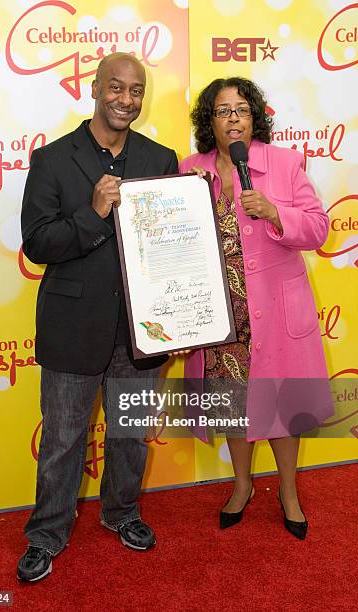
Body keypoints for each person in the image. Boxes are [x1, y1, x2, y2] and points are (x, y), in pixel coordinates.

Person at [18, 53, 179, 582]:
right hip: (73, 328)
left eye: (136, 91)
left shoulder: (161, 158)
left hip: (142, 328)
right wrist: (92, 214)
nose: (126, 100)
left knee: (129, 435)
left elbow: (173, 245)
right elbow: (39, 244)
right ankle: (46, 533)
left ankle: (122, 513)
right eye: (116, 87)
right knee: (64, 440)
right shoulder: (52, 159)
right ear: (94, 87)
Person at [179, 77, 333, 540]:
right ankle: (242, 485)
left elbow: (319, 229)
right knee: (231, 403)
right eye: (222, 110)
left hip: (275, 314)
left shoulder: (284, 164)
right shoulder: (189, 170)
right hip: (219, 315)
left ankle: (288, 492)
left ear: (256, 118)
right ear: (209, 122)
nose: (233, 119)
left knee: (283, 407)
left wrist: (274, 212)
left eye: (242, 110)